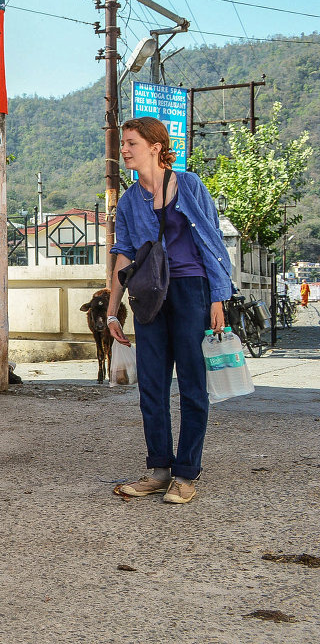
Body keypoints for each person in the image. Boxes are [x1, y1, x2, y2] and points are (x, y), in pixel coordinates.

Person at [107, 117, 231, 505]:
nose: (124, 150)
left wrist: (218, 297)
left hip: (192, 289)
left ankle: (186, 473)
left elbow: (212, 241)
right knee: (152, 385)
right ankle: (159, 469)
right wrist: (113, 310)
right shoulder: (129, 201)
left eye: (131, 143)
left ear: (155, 147)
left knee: (193, 384)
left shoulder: (190, 186)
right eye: (123, 144)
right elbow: (123, 254)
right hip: (148, 295)